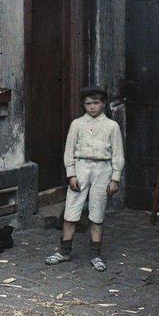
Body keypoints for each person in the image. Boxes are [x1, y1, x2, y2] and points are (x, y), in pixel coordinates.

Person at [45, 86, 125, 271]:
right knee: (71, 210)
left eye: (96, 103)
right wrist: (71, 173)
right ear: (83, 105)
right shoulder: (77, 124)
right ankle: (64, 251)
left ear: (104, 104)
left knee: (97, 212)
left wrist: (115, 178)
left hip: (103, 169)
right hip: (81, 167)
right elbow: (69, 151)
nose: (92, 107)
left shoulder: (112, 127)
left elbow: (118, 155)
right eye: (88, 103)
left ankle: (96, 255)